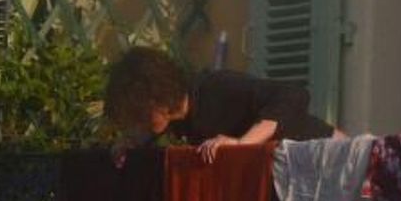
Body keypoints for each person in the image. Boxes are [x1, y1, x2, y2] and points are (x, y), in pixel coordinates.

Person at [104, 45, 333, 161]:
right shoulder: (178, 119)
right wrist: (131, 144)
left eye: (140, 115)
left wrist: (241, 144)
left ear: (159, 99)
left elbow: (293, 95)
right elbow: (152, 132)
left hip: (326, 153)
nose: (139, 123)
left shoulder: (215, 88)